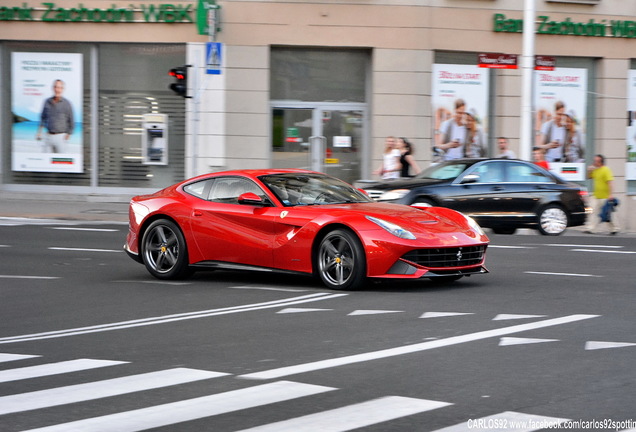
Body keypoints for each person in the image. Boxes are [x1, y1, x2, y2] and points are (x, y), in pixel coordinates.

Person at [36, 79, 74, 153]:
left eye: (60, 87)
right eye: (56, 87)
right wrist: (39, 132)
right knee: (46, 160)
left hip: (61, 137)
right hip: (48, 136)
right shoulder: (47, 102)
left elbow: (71, 120)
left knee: (61, 162)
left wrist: (69, 134)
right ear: (53, 88)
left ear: (62, 89)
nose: (57, 89)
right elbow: (42, 118)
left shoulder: (67, 103)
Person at [585, 154, 619, 235]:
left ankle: (614, 228)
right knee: (591, 211)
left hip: (605, 196)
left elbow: (610, 182)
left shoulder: (606, 170)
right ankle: (590, 228)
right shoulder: (596, 170)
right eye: (594, 161)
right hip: (596, 196)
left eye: (596, 161)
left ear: (600, 162)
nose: (594, 162)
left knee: (608, 213)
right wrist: (589, 170)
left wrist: (610, 194)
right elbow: (589, 177)